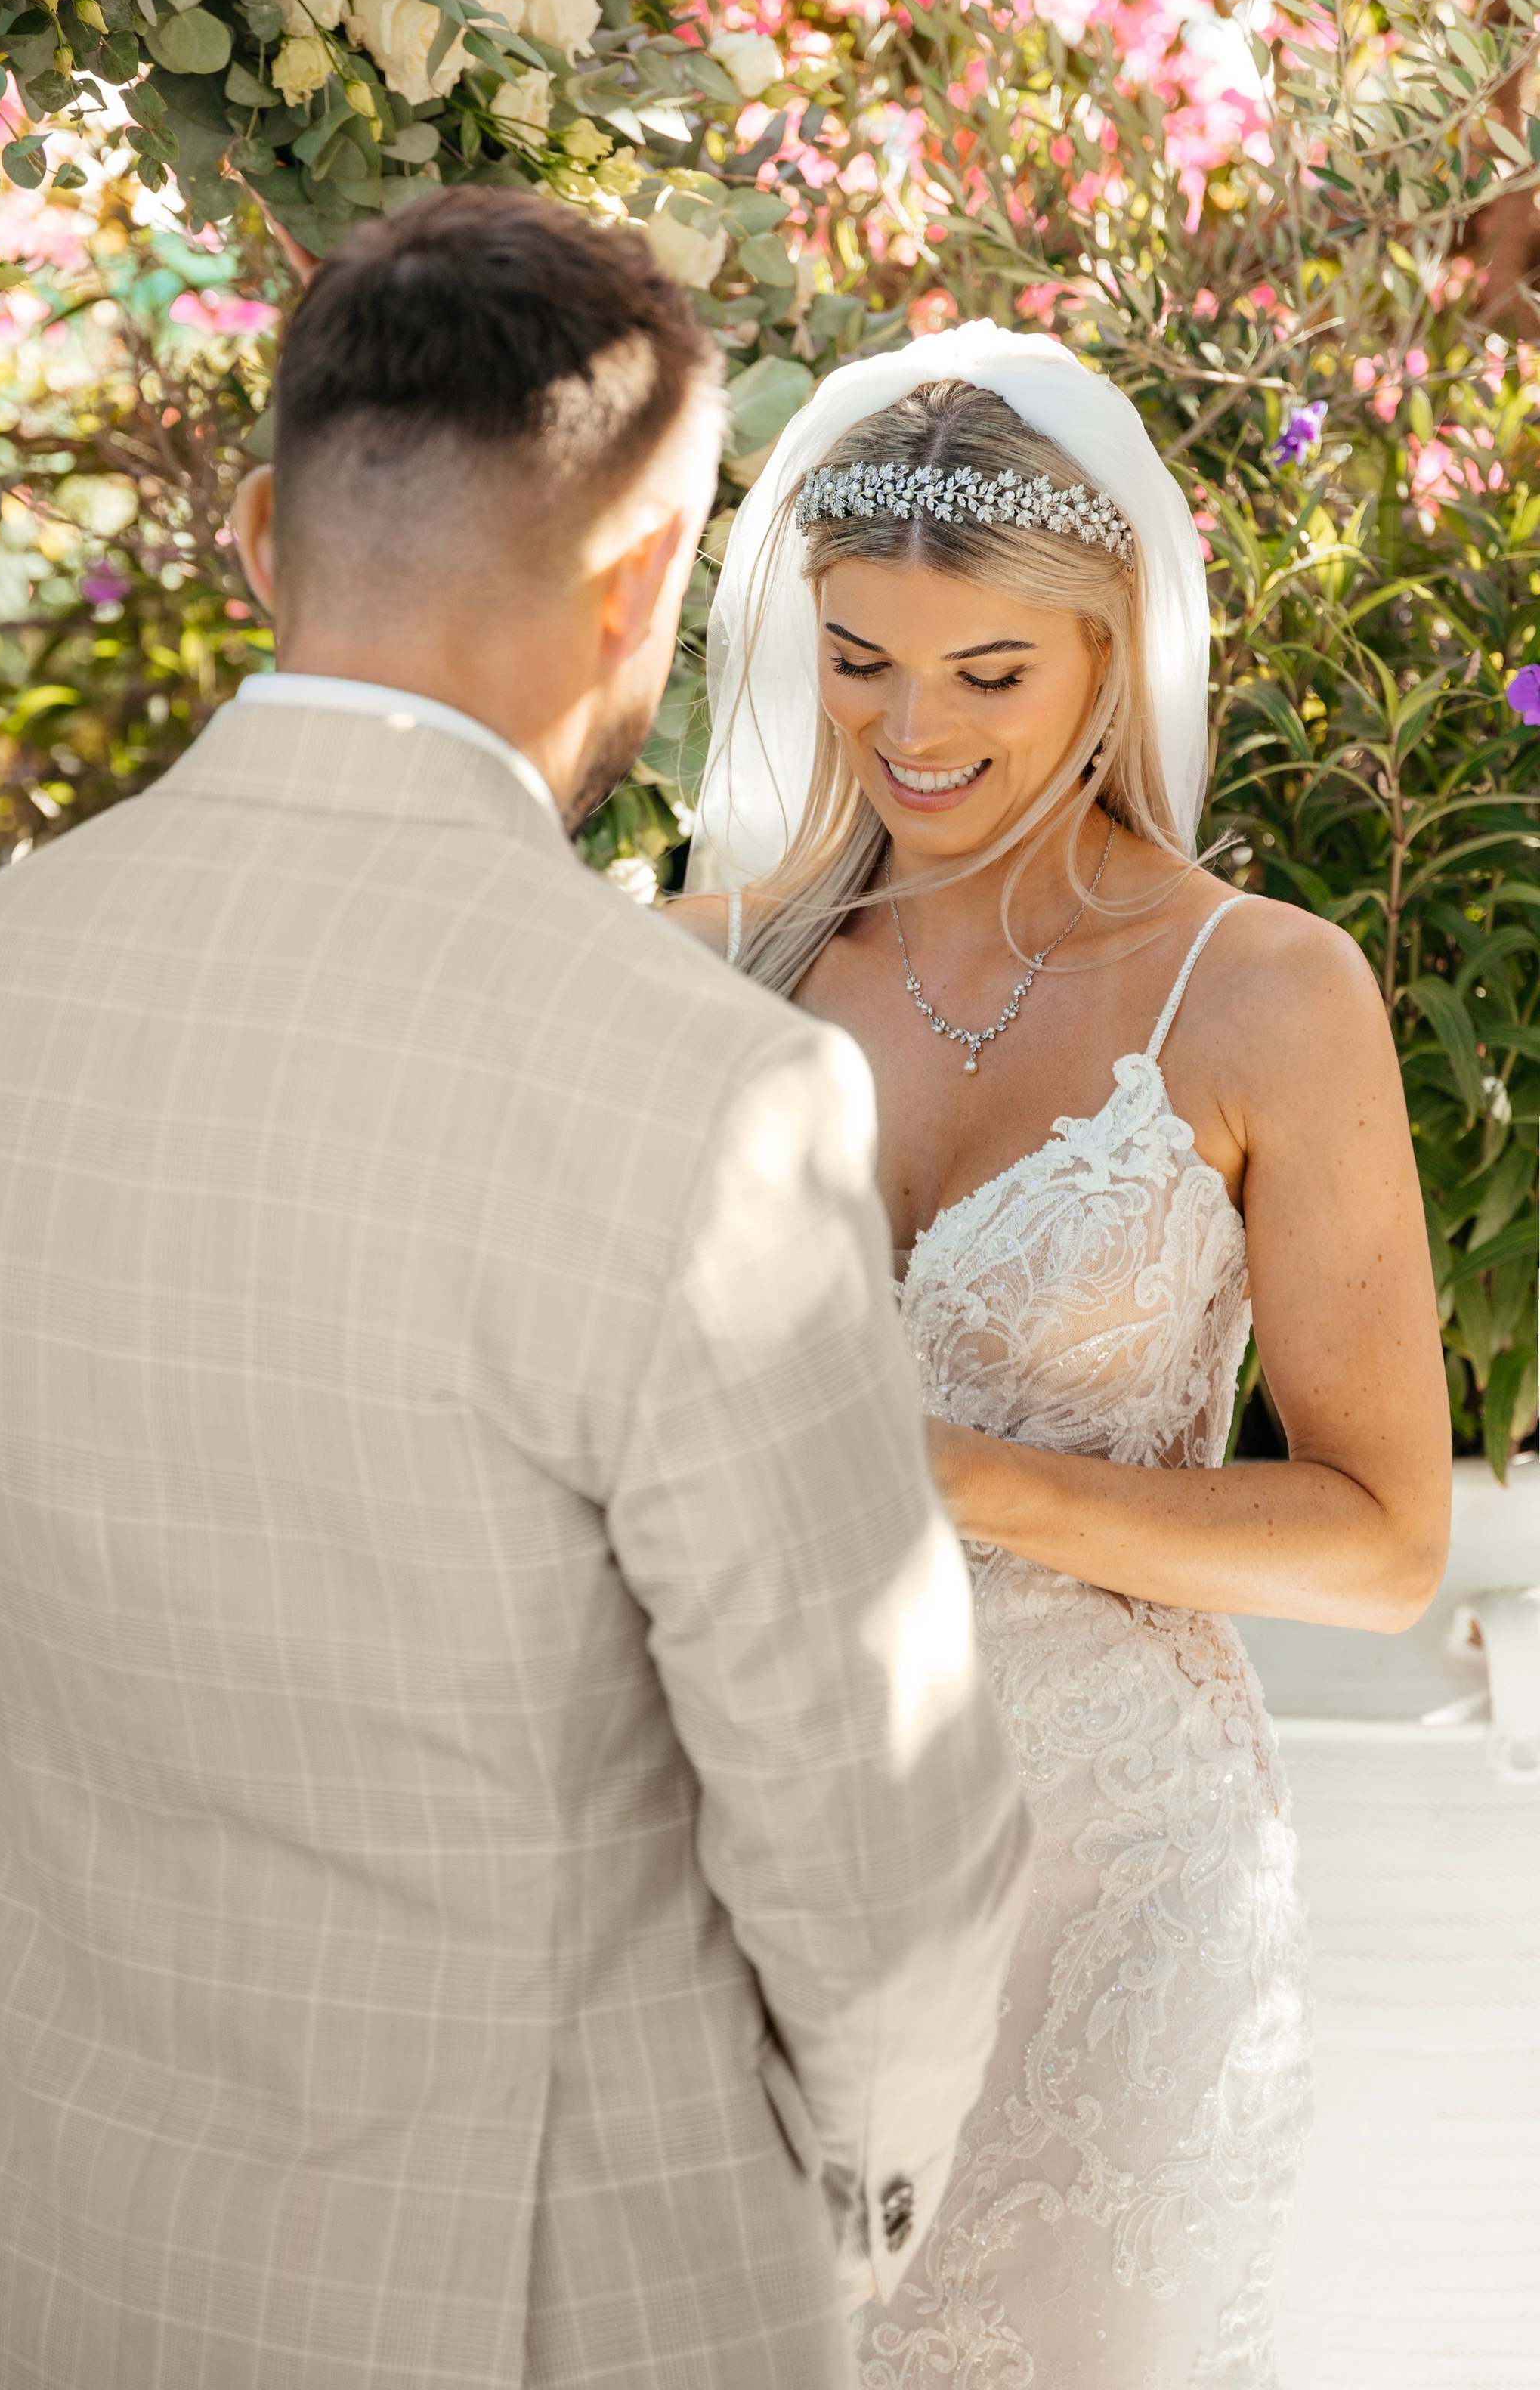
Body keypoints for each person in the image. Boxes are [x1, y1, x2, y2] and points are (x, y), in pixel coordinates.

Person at [0, 194, 1031, 2390]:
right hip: (552, 2274)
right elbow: (876, 1843)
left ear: (265, 533)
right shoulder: (712, 1101)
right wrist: (844, 2210)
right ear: (649, 580)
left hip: (38, 2225)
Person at [666, 323, 1452, 2389]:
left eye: (986, 674)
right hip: (742, 1863)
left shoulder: (1268, 991)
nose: (909, 732)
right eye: (859, 660)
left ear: (1113, 658)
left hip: (1117, 1888)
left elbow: (1383, 1544)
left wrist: (946, 1475)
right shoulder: (702, 968)